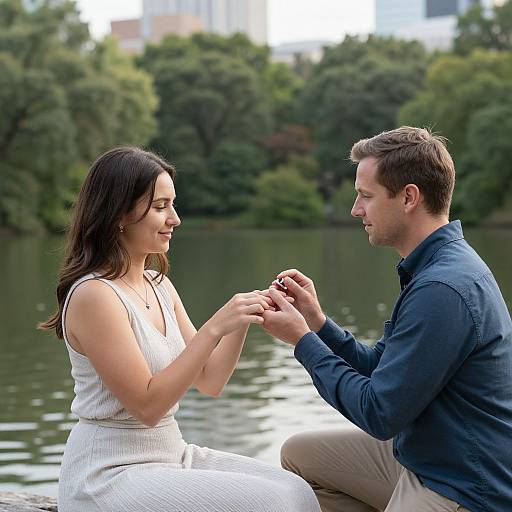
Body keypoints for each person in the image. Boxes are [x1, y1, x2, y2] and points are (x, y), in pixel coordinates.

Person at [39, 147, 321, 512]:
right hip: (109, 473)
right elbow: (148, 405)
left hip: (171, 453)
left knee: (296, 491)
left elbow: (211, 380)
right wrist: (214, 327)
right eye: (160, 207)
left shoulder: (158, 284)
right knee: (276, 502)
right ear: (120, 214)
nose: (175, 218)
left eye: (173, 204)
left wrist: (242, 319)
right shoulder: (94, 295)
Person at [262, 126, 512, 512]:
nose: (355, 209)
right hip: (430, 454)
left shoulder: (444, 287)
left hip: (465, 484)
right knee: (300, 457)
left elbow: (379, 413)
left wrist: (302, 343)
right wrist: (317, 324)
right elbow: (383, 369)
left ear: (409, 197)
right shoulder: (432, 268)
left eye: (365, 196)